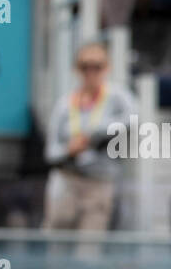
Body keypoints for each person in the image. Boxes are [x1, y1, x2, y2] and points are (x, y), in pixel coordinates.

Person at [42, 42, 138, 242]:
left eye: (97, 66)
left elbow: (133, 118)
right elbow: (50, 151)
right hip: (67, 181)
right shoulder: (65, 104)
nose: (91, 72)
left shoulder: (116, 97)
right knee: (56, 247)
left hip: (99, 183)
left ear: (107, 68)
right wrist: (69, 150)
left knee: (89, 249)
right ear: (76, 69)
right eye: (85, 66)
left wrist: (94, 133)